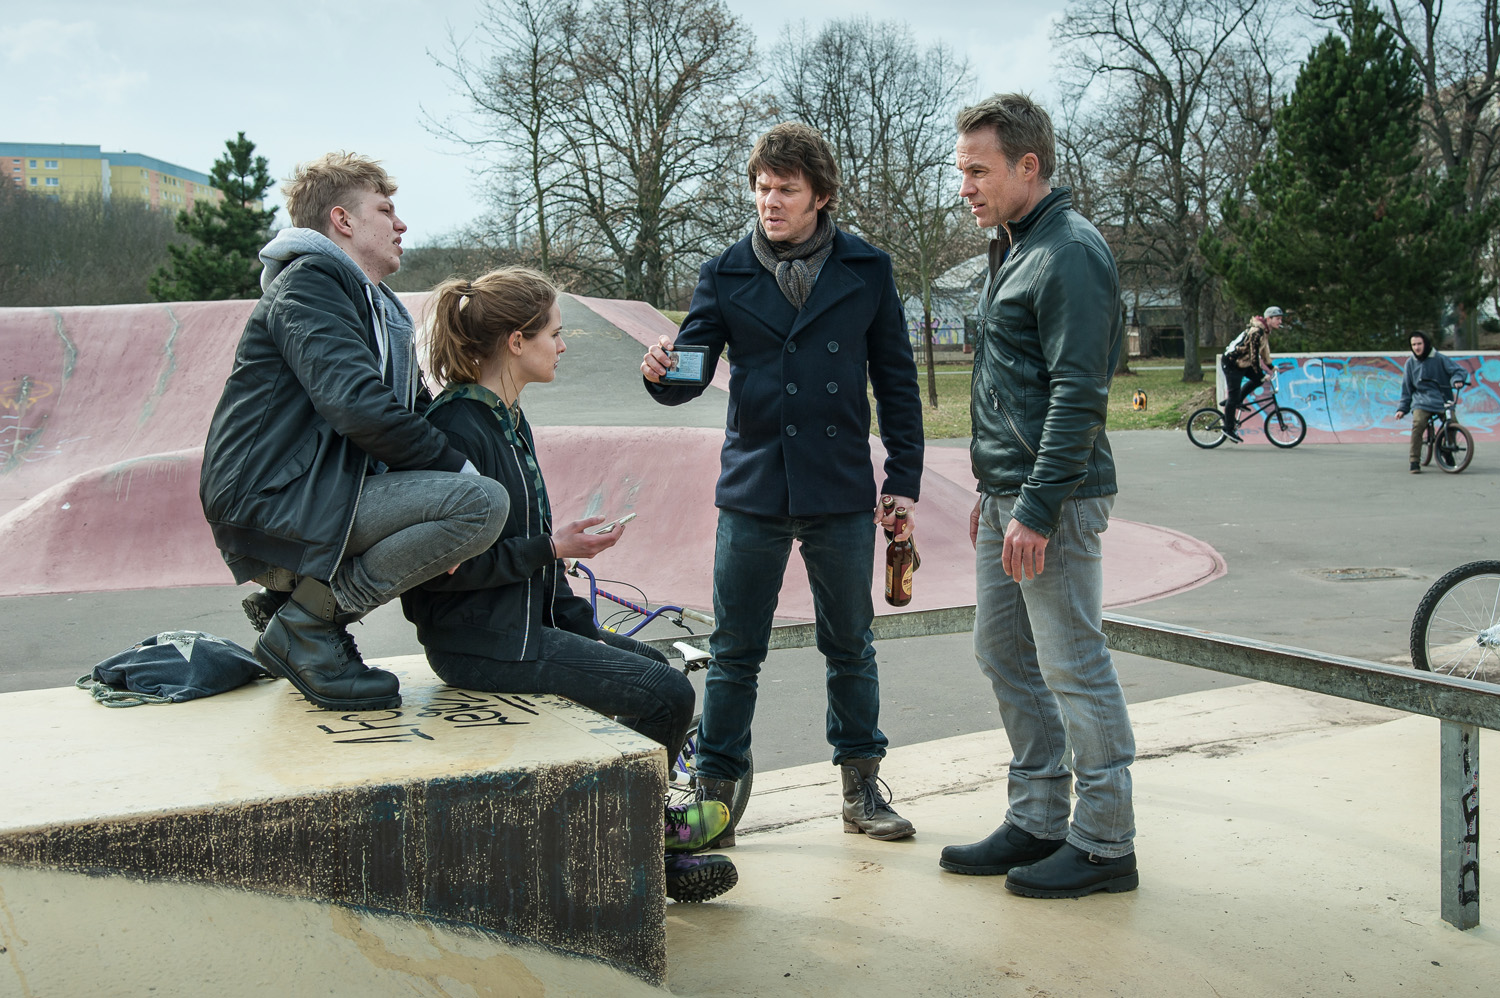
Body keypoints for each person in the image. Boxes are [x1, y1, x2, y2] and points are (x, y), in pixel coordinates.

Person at [402, 267, 738, 903]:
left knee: (652, 666)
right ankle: (639, 851)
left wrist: (586, 625)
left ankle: (629, 835)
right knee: (664, 696)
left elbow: (534, 557)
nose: (564, 345)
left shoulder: (507, 419)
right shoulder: (457, 431)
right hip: (480, 641)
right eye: (555, 333)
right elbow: (438, 572)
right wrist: (551, 548)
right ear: (516, 341)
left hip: (523, 627)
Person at [640, 122, 925, 846]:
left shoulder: (868, 268)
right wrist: (661, 373)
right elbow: (691, 367)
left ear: (820, 196)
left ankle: (862, 789)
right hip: (755, 487)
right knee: (736, 649)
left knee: (849, 643)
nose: (770, 201)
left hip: (837, 487)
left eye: (786, 190)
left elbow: (896, 382)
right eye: (762, 188)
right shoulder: (725, 272)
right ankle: (714, 797)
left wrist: (904, 478)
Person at [199, 153, 510, 712]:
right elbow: (357, 406)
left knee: (471, 501)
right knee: (478, 502)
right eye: (386, 210)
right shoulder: (308, 285)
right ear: (343, 220)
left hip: (320, 492)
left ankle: (293, 611)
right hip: (276, 499)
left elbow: (415, 410)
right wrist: (461, 484)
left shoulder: (380, 308)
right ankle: (308, 623)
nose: (401, 225)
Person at [939, 93, 1137, 898]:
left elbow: (1079, 397)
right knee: (1004, 654)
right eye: (960, 173)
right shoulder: (1014, 246)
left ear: (1029, 166)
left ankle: (1105, 843)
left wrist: (1036, 506)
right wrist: (997, 491)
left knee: (1073, 665)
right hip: (1009, 494)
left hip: (1054, 499)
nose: (965, 188)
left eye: (978, 171)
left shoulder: (1070, 253)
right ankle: (1038, 817)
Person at [1394, 329, 1468, 474]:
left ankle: (1446, 449)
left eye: (1419, 344)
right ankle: (1414, 460)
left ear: (1426, 343)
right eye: (1413, 345)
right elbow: (1407, 388)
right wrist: (1402, 408)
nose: (1416, 347)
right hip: (1421, 401)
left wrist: (1457, 380)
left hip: (1442, 399)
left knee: (1452, 422)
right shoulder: (1410, 363)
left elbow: (1459, 371)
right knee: (1418, 424)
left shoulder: (1439, 358)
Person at [1221, 307, 1281, 442]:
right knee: (1234, 395)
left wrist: (1271, 366)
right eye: (1277, 318)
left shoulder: (1265, 331)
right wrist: (1260, 373)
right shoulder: (1256, 332)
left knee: (1257, 380)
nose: (1280, 321)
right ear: (1269, 319)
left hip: (1242, 363)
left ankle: (1237, 401)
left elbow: (1264, 350)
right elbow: (1254, 357)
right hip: (1232, 363)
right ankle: (1228, 428)